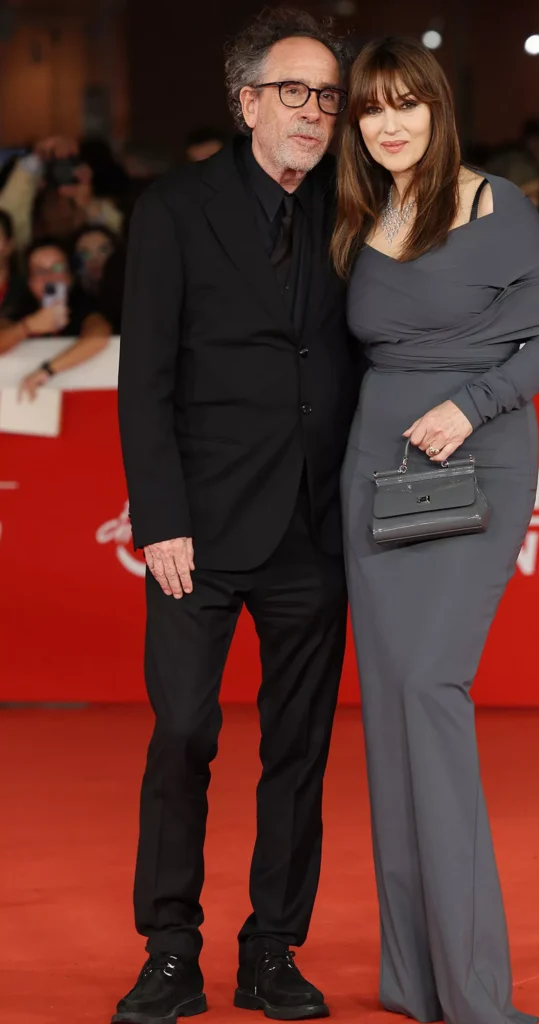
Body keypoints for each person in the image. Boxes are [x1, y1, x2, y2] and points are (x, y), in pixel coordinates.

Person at [332, 37, 539, 1024]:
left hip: (471, 462)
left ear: (439, 110)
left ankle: (475, 992)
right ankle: (416, 978)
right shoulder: (360, 213)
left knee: (430, 689)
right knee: (390, 711)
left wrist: (471, 404)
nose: (389, 124)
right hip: (375, 473)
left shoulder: (494, 205)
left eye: (406, 105)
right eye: (370, 110)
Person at [115, 9, 358, 1024]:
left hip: (316, 526)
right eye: (294, 91)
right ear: (246, 99)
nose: (314, 110)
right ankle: (170, 949)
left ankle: (272, 948)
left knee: (298, 749)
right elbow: (144, 378)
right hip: (200, 533)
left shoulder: (351, 210)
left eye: (327, 96)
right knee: (180, 734)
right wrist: (160, 517)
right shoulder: (174, 208)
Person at [0, 238, 112, 397]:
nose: (49, 277)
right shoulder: (18, 307)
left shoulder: (84, 304)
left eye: (58, 268)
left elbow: (99, 336)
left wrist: (47, 370)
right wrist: (28, 326)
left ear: (70, 276)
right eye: (39, 271)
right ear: (29, 281)